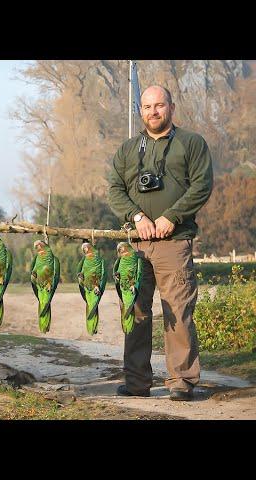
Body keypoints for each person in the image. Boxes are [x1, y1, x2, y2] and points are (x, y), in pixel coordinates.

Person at [107, 85, 213, 401]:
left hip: (174, 241)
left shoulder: (191, 143)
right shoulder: (127, 149)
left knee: (177, 311)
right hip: (135, 246)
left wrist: (172, 216)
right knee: (136, 310)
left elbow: (202, 185)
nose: (153, 112)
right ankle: (137, 382)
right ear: (140, 110)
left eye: (159, 105)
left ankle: (181, 381)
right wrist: (137, 217)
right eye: (147, 106)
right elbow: (114, 189)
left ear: (171, 107)